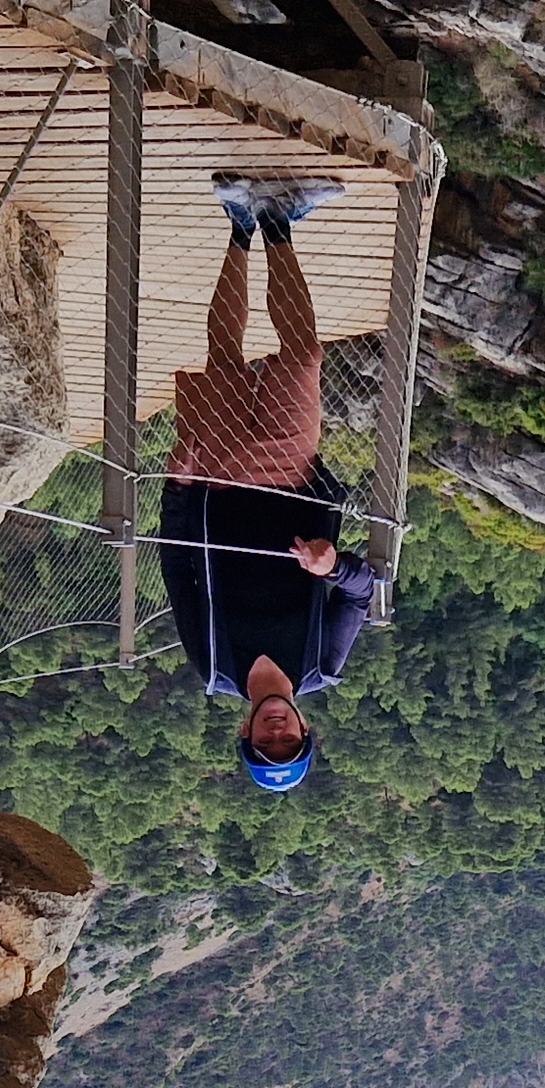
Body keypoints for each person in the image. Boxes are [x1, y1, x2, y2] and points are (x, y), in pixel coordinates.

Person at [157, 171, 375, 794]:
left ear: (245, 736)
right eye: (290, 741)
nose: (276, 731)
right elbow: (361, 595)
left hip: (216, 482)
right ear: (307, 730)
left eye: (266, 743)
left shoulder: (214, 666)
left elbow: (179, 571)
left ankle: (240, 224)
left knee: (224, 356)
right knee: (302, 357)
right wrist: (331, 566)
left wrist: (177, 490)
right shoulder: (321, 664)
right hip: (289, 478)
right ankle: (278, 224)